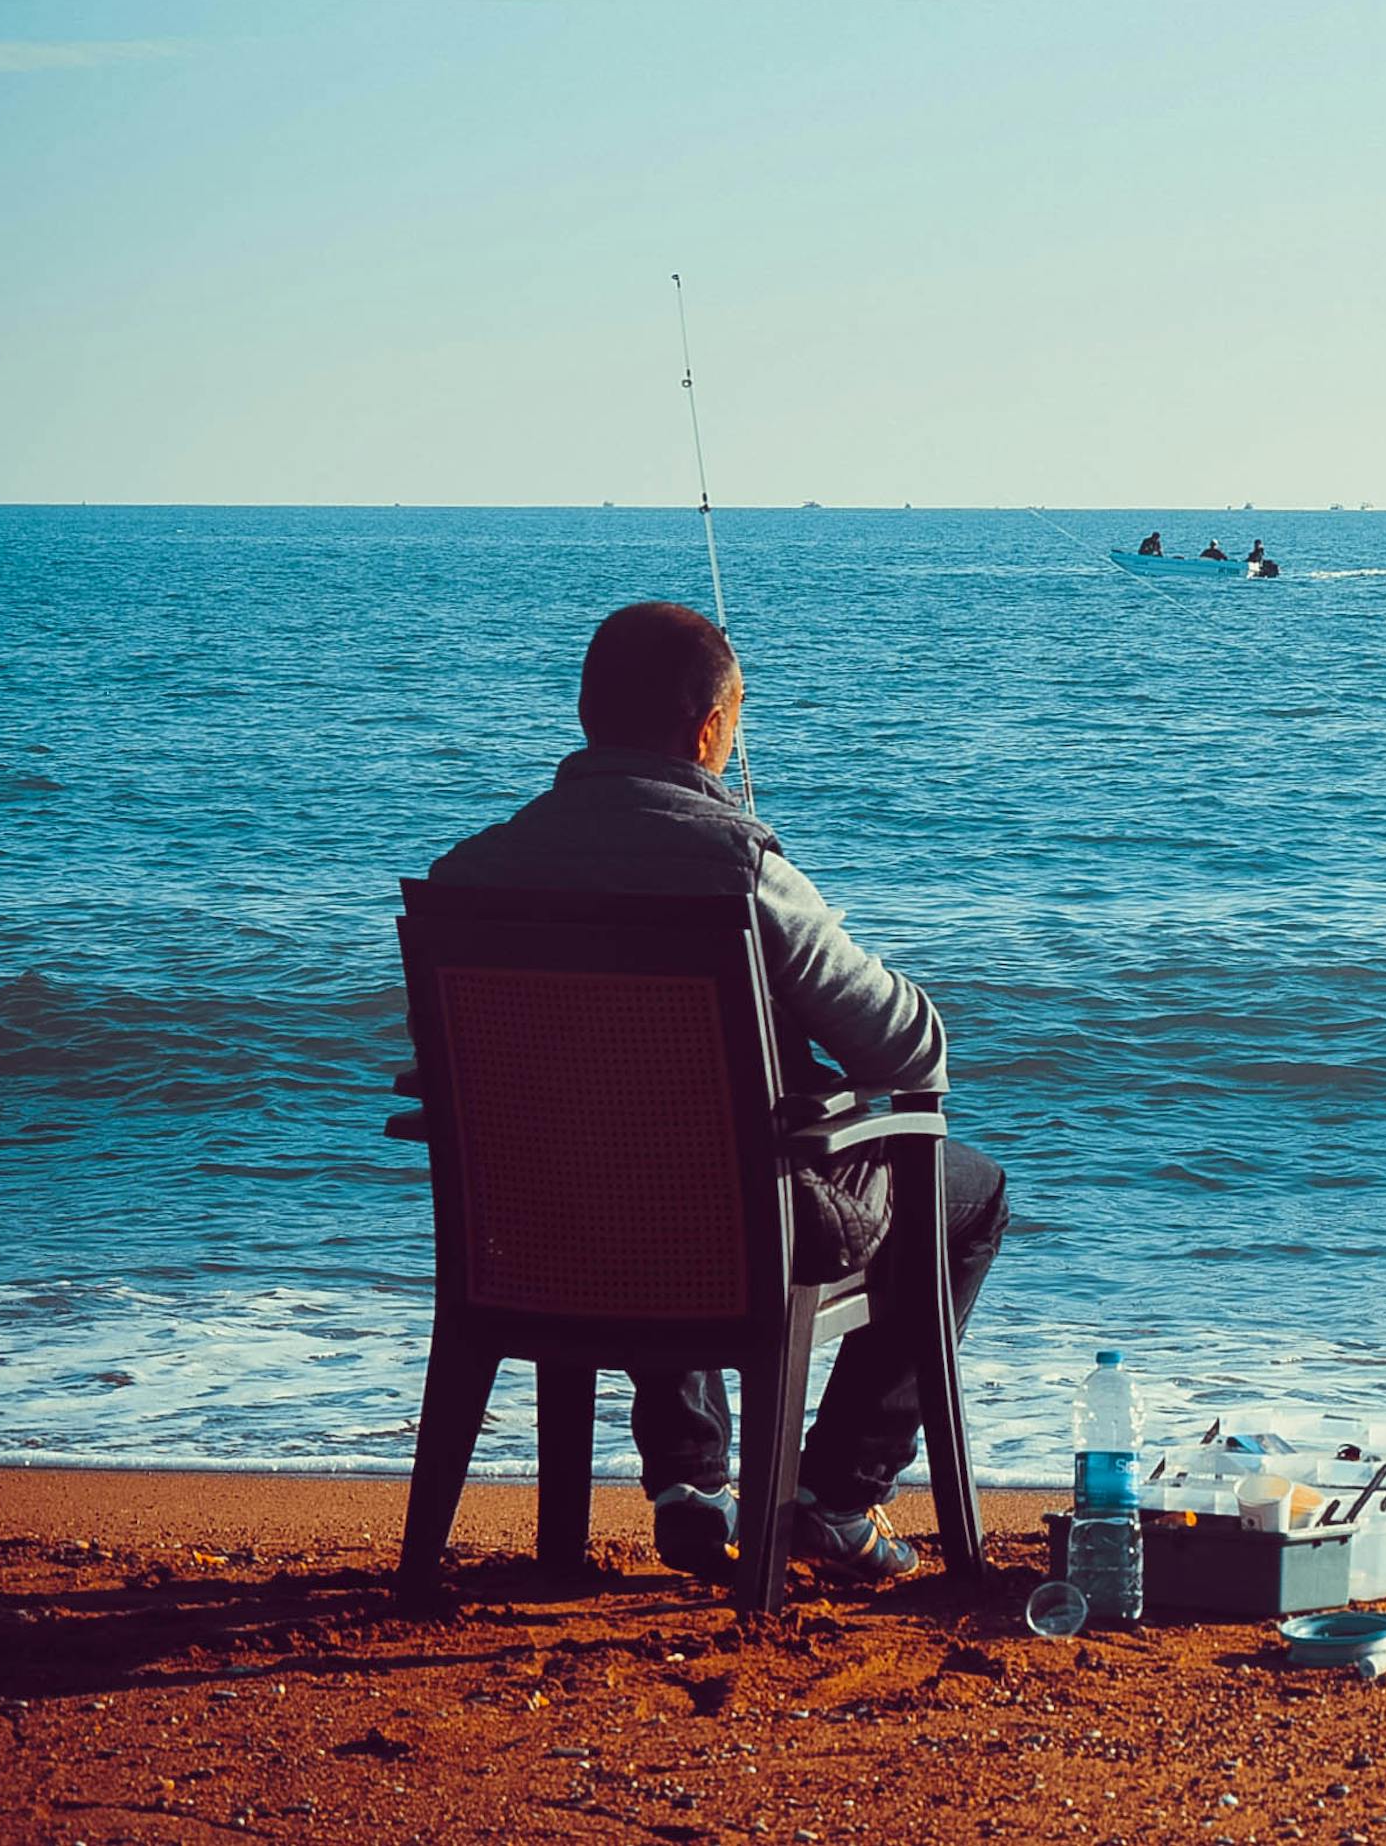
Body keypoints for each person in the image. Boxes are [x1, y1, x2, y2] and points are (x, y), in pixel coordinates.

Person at [426, 601, 1008, 1587]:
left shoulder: (472, 872)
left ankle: (693, 1489)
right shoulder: (746, 871)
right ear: (709, 729)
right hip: (723, 1232)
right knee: (968, 1189)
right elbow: (913, 1055)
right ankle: (836, 1497)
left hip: (535, 1236)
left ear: (585, 716)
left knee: (644, 1143)